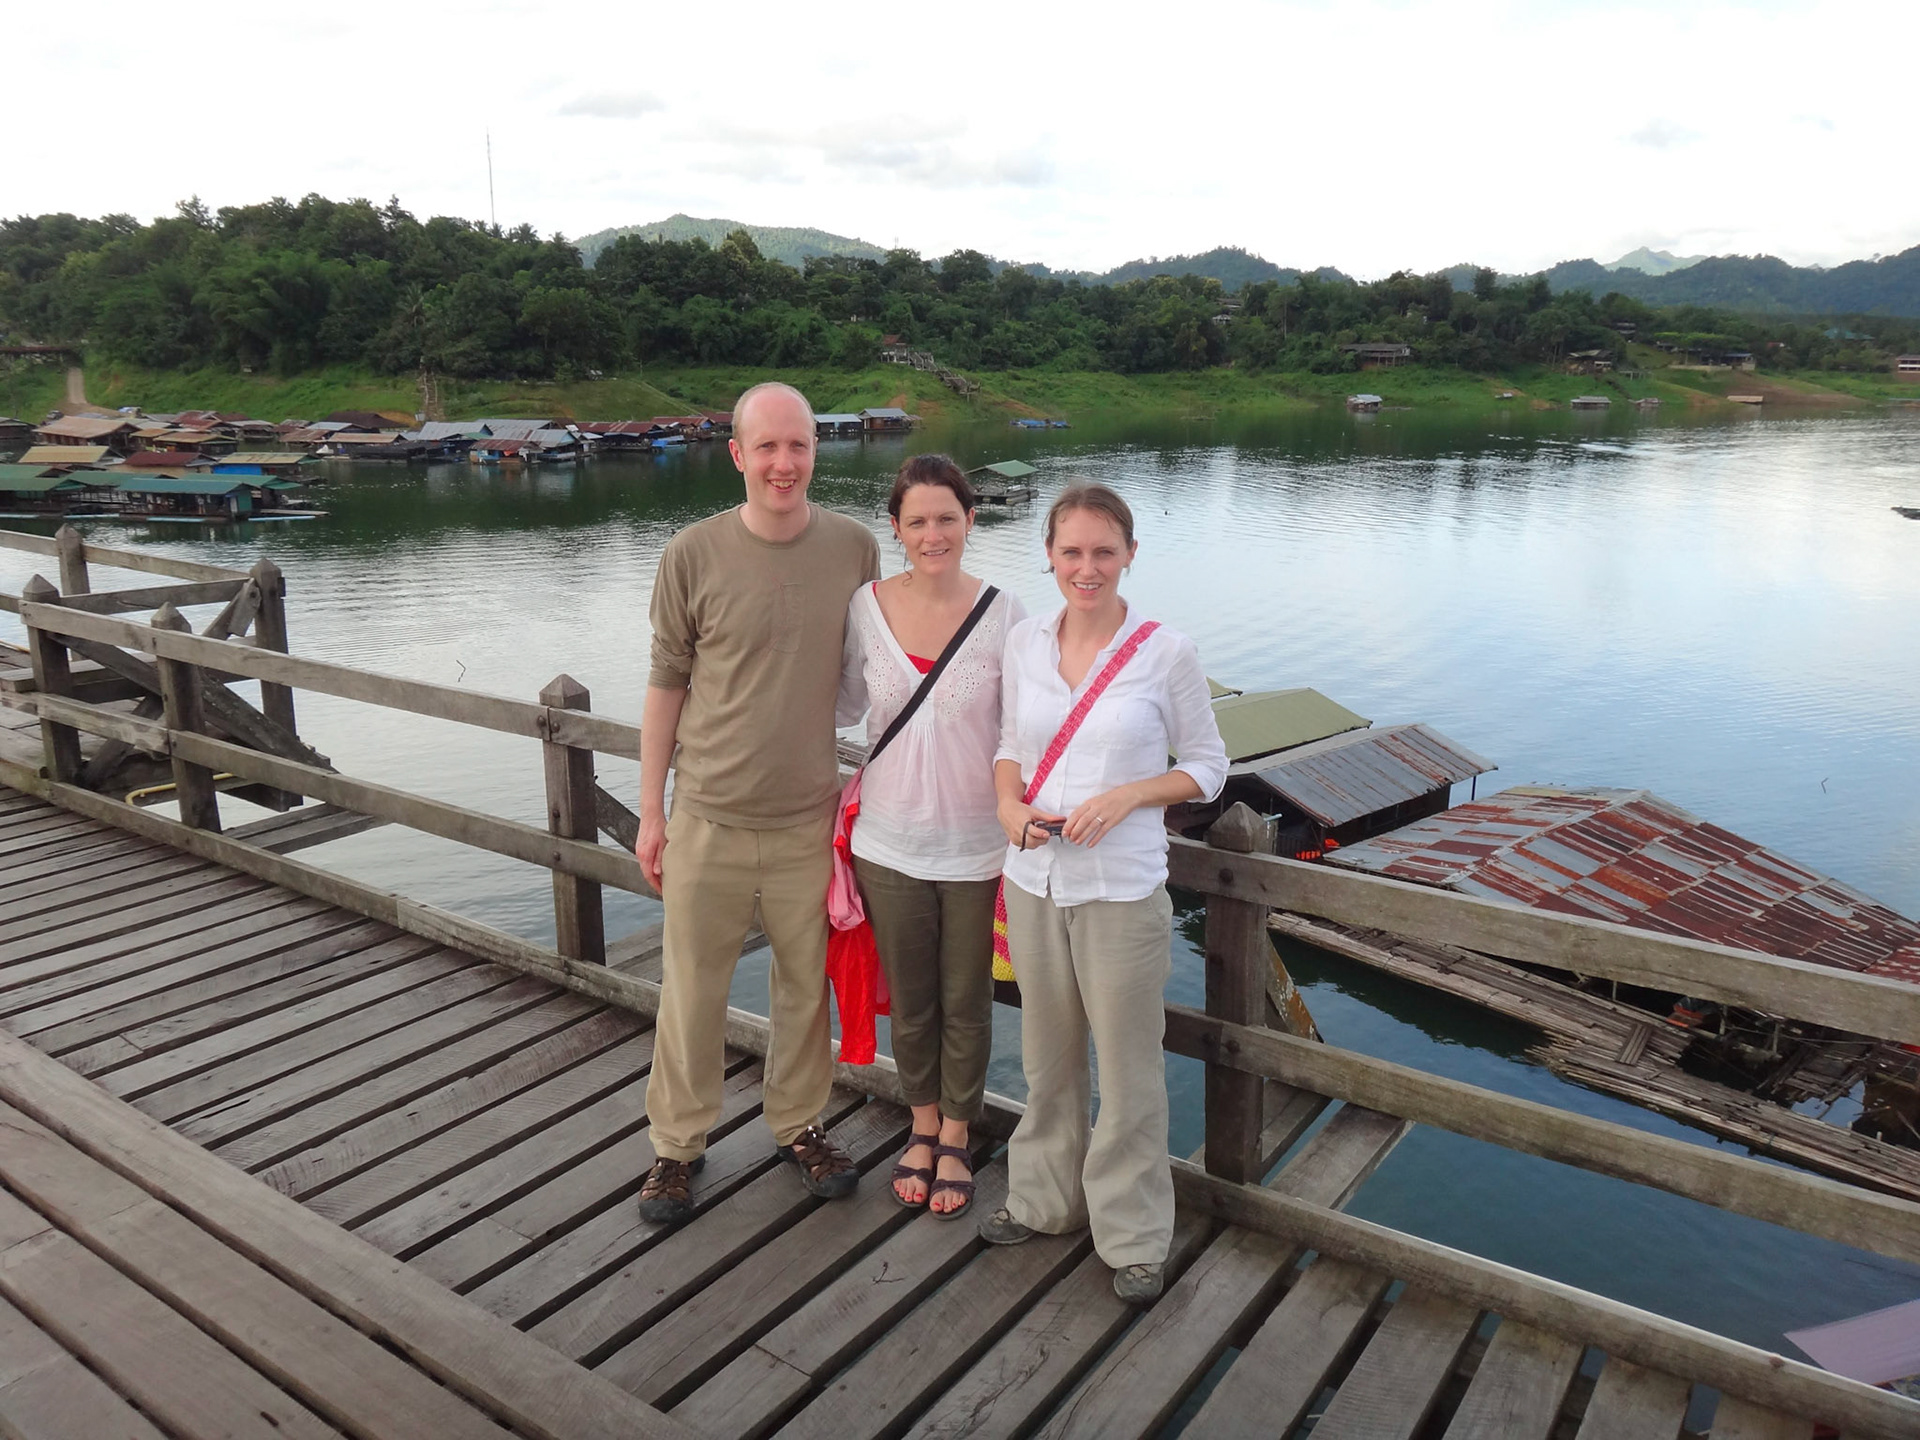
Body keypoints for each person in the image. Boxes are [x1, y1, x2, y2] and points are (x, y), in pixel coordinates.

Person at [635, 380, 880, 1225]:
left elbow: (882, 673)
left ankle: (799, 1126)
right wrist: (651, 812)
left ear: (817, 452)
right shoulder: (691, 554)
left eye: (799, 445)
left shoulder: (854, 549)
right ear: (737, 454)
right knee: (691, 990)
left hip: (811, 817)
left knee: (804, 990)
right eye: (766, 446)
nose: (784, 463)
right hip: (707, 814)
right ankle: (676, 1147)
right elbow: (666, 684)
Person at [977, 482, 1228, 1304]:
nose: (1087, 568)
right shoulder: (1024, 642)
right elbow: (1011, 743)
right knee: (1046, 1057)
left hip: (1121, 889)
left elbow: (1209, 766)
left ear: (1129, 556)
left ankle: (1132, 1234)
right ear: (1049, 556)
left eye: (1103, 552)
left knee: (1127, 1070)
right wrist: (1010, 805)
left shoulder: (1166, 652)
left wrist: (1128, 796)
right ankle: (1044, 1200)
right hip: (1033, 880)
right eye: (1071, 552)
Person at [839, 455, 1025, 1218]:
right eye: (916, 521)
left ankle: (958, 1132)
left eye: (947, 517)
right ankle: (921, 1125)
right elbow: (841, 702)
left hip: (979, 843)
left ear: (971, 520)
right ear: (895, 528)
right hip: (886, 840)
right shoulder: (863, 607)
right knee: (913, 1001)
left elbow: (1026, 727)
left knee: (966, 1001)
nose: (933, 533)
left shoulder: (1007, 613)